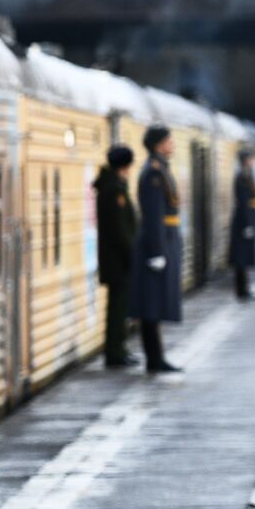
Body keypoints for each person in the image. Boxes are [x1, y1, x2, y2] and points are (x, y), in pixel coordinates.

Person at [128, 125, 184, 373]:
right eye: (169, 141)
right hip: (157, 243)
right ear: (159, 144)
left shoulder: (160, 169)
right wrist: (157, 252)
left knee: (155, 303)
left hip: (164, 240)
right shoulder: (153, 173)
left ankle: (157, 357)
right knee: (150, 305)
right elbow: (153, 215)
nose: (172, 144)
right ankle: (154, 358)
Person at [94, 145, 138, 367]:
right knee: (118, 308)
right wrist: (132, 255)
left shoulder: (111, 186)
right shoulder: (114, 190)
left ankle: (118, 349)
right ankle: (115, 352)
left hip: (115, 258)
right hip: (118, 259)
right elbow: (121, 229)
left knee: (118, 306)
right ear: (124, 166)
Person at [229, 150, 255, 300]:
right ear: (246, 160)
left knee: (244, 257)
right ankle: (242, 291)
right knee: (241, 258)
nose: (253, 161)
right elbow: (244, 203)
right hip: (243, 222)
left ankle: (245, 289)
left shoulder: (247, 175)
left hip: (247, 219)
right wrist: (248, 224)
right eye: (251, 158)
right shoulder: (243, 177)